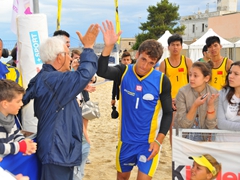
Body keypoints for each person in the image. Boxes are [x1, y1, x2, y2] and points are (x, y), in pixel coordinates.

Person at [22, 24, 100, 180]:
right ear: (59, 57)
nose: (71, 58)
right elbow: (85, 73)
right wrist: (89, 48)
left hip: (58, 149)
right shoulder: (54, 79)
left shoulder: (44, 78)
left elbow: (22, 99)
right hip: (57, 150)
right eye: (68, 54)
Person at [97, 20, 172, 180]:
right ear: (137, 55)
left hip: (148, 143)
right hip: (126, 142)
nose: (145, 66)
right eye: (143, 59)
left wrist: (159, 142)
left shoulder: (161, 80)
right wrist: (108, 46)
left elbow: (167, 113)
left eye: (151, 63)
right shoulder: (123, 71)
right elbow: (102, 71)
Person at [159, 34, 193, 145]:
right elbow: (160, 85)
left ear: (181, 46)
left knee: (186, 130)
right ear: (168, 47)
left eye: (178, 45)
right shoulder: (164, 64)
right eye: (173, 45)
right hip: (171, 102)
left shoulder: (187, 61)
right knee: (173, 130)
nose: (175, 47)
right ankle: (175, 156)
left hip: (186, 101)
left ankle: (184, 156)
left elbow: (193, 82)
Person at [175, 61, 219, 141]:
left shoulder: (214, 93)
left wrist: (210, 106)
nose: (191, 78)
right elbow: (182, 124)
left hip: (206, 138)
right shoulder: (182, 92)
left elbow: (211, 125)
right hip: (185, 136)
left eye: (195, 76)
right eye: (190, 74)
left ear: (206, 78)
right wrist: (195, 106)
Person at [0, 79, 37, 159]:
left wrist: (24, 142)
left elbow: (16, 133)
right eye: (18, 101)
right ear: (5, 104)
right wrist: (19, 146)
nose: (22, 104)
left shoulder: (10, 117)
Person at [216, 61, 240, 142]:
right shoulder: (221, 94)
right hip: (223, 145)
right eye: (230, 73)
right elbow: (220, 123)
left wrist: (229, 124)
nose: (231, 76)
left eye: (236, 74)